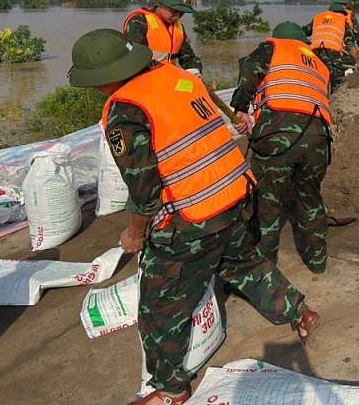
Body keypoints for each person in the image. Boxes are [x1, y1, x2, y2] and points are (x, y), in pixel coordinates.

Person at [68, 29, 319, 405]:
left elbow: (143, 189)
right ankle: (299, 312)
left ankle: (170, 388)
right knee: (244, 263)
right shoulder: (179, 76)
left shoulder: (127, 109)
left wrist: (135, 234)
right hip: (233, 195)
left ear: (104, 77)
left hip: (191, 217)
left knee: (160, 304)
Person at [230, 22, 332, 274]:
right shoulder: (319, 63)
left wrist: (240, 108)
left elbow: (249, 69)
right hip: (318, 136)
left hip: (278, 131)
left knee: (268, 200)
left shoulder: (272, 48)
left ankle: (265, 269)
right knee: (310, 198)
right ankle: (317, 261)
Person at [123, 0, 202, 76]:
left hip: (166, 78)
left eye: (181, 13)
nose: (177, 17)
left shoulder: (178, 27)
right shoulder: (139, 21)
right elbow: (137, 55)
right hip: (142, 78)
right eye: (174, 11)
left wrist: (195, 69)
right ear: (161, 4)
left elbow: (187, 56)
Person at [302, 0, 358, 93]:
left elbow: (303, 32)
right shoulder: (342, 20)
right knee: (337, 82)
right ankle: (333, 102)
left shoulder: (318, 18)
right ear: (341, 13)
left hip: (315, 54)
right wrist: (357, 62)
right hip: (332, 55)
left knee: (318, 80)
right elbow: (350, 45)